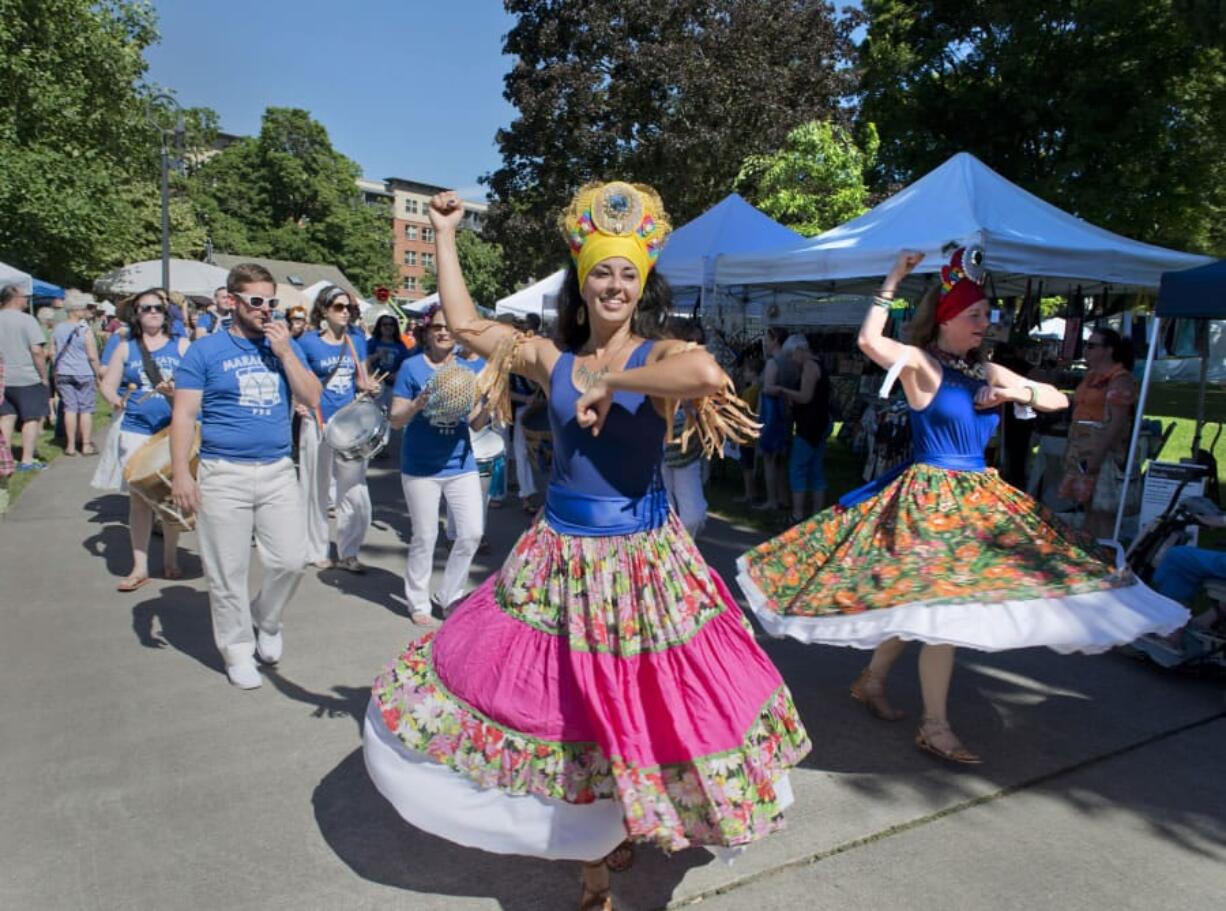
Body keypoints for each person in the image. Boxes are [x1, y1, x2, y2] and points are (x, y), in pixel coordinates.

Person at [364, 184, 809, 911]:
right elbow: (469, 323)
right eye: (602, 271)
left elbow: (705, 375)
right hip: (559, 559)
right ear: (582, 280)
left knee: (639, 709)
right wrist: (443, 234)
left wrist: (617, 376)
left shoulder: (660, 353)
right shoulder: (551, 358)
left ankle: (627, 821)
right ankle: (594, 870)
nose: (614, 284)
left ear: (642, 284)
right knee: (571, 716)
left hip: (643, 560)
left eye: (627, 274)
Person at [737, 248, 1188, 764]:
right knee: (941, 609)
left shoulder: (983, 370)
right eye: (975, 315)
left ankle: (872, 680)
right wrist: (893, 279)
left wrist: (1013, 390)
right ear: (947, 317)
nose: (984, 323)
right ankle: (934, 724)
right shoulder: (921, 365)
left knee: (926, 607)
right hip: (928, 503)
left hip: (977, 499)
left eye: (986, 314)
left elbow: (1058, 400)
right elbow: (868, 341)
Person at [170, 264, 321, 690]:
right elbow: (183, 415)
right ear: (233, 301)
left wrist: (287, 353)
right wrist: (182, 473)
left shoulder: (283, 345)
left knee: (292, 559)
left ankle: (266, 619)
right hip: (223, 472)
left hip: (277, 469)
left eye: (271, 302)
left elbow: (312, 397)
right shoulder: (205, 351)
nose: (265, 309)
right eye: (256, 301)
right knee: (226, 571)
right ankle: (236, 649)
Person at [388, 303, 486, 624]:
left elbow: (474, 422)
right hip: (421, 466)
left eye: (449, 327)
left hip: (460, 463)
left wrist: (491, 406)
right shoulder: (412, 368)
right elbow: (396, 420)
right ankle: (417, 601)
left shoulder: (470, 369)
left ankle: (449, 594)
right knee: (425, 535)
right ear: (427, 332)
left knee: (471, 532)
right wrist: (417, 404)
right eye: (437, 327)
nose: (444, 332)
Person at [99, 289, 191, 590]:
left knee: (168, 496)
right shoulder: (126, 348)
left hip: (171, 428)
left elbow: (197, 394)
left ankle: (170, 558)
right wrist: (117, 401)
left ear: (166, 314)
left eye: (157, 308)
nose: (151, 312)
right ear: (136, 314)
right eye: (144, 308)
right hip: (136, 428)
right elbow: (108, 384)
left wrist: (172, 393)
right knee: (138, 498)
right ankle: (139, 566)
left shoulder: (182, 346)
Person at [296, 285, 377, 572]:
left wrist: (368, 386)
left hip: (350, 424)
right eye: (339, 307)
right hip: (318, 421)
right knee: (315, 489)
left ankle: (349, 551)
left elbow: (361, 379)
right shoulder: (306, 342)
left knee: (354, 491)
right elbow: (297, 381)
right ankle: (315, 548)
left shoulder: (356, 339)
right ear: (323, 310)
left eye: (349, 308)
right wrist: (298, 402)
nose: (345, 313)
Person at [1058, 327, 1139, 538]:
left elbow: (1117, 423)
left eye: (1092, 345)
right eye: (1087, 344)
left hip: (1102, 451)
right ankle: (1090, 552)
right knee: (1088, 506)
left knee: (1104, 509)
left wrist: (1096, 458)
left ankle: (1106, 556)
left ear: (1109, 350)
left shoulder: (1121, 380)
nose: (1087, 349)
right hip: (1081, 447)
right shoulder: (1091, 376)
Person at [768, 334, 830, 521]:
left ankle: (797, 514)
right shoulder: (820, 364)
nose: (793, 362)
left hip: (810, 426)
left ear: (799, 351)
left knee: (797, 469)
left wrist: (782, 390)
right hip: (820, 423)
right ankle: (817, 514)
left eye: (791, 357)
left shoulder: (810, 366)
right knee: (816, 469)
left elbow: (805, 396)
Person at [0, 284, 51, 471]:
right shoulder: (27, 320)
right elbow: (37, 351)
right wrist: (43, 376)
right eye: (25, 296)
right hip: (27, 376)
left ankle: (4, 457)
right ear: (15, 297)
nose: (27, 300)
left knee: (6, 417)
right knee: (32, 418)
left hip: (3, 377)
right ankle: (27, 460)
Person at [50, 295, 104, 456]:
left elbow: (52, 352)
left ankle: (70, 445)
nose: (86, 311)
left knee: (70, 408)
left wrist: (56, 369)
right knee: (86, 409)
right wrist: (98, 375)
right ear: (77, 310)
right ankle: (86, 444)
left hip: (64, 372)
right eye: (83, 308)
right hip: (84, 372)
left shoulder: (57, 328)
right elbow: (92, 355)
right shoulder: (84, 329)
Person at [754, 327, 795, 513]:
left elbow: (769, 389)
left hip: (771, 414)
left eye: (767, 339)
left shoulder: (773, 363)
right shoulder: (791, 362)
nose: (765, 343)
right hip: (786, 413)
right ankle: (783, 498)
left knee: (769, 458)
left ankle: (772, 500)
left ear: (775, 340)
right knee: (781, 459)